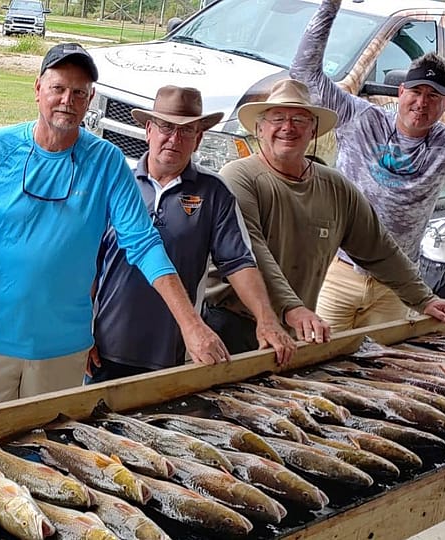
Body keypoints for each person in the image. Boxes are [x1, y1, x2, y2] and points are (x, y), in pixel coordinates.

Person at [0, 43, 230, 411]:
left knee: (45, 455)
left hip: (63, 350)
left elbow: (143, 243)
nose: (68, 99)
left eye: (79, 92)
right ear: (37, 90)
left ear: (90, 99)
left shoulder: (106, 162)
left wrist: (191, 325)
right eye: (58, 88)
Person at [291, 0, 445, 331]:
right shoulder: (360, 118)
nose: (422, 103)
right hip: (337, 270)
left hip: (396, 283)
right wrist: (330, 6)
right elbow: (305, 76)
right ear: (400, 91)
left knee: (381, 371)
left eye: (434, 96)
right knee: (317, 362)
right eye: (416, 91)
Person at [203, 78, 445, 352]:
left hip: (292, 326)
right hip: (231, 323)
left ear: (313, 130)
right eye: (278, 118)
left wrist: (424, 299)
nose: (287, 128)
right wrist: (292, 308)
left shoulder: (334, 186)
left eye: (299, 120)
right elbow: (253, 252)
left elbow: (380, 249)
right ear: (259, 128)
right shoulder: (238, 177)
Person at [87, 85, 296, 383]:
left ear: (199, 138)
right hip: (105, 346)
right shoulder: (117, 186)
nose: (174, 139)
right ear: (149, 130)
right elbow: (90, 265)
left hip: (174, 351)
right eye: (166, 127)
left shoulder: (214, 193)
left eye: (186, 131)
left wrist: (266, 319)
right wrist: (83, 331)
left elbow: (238, 263)